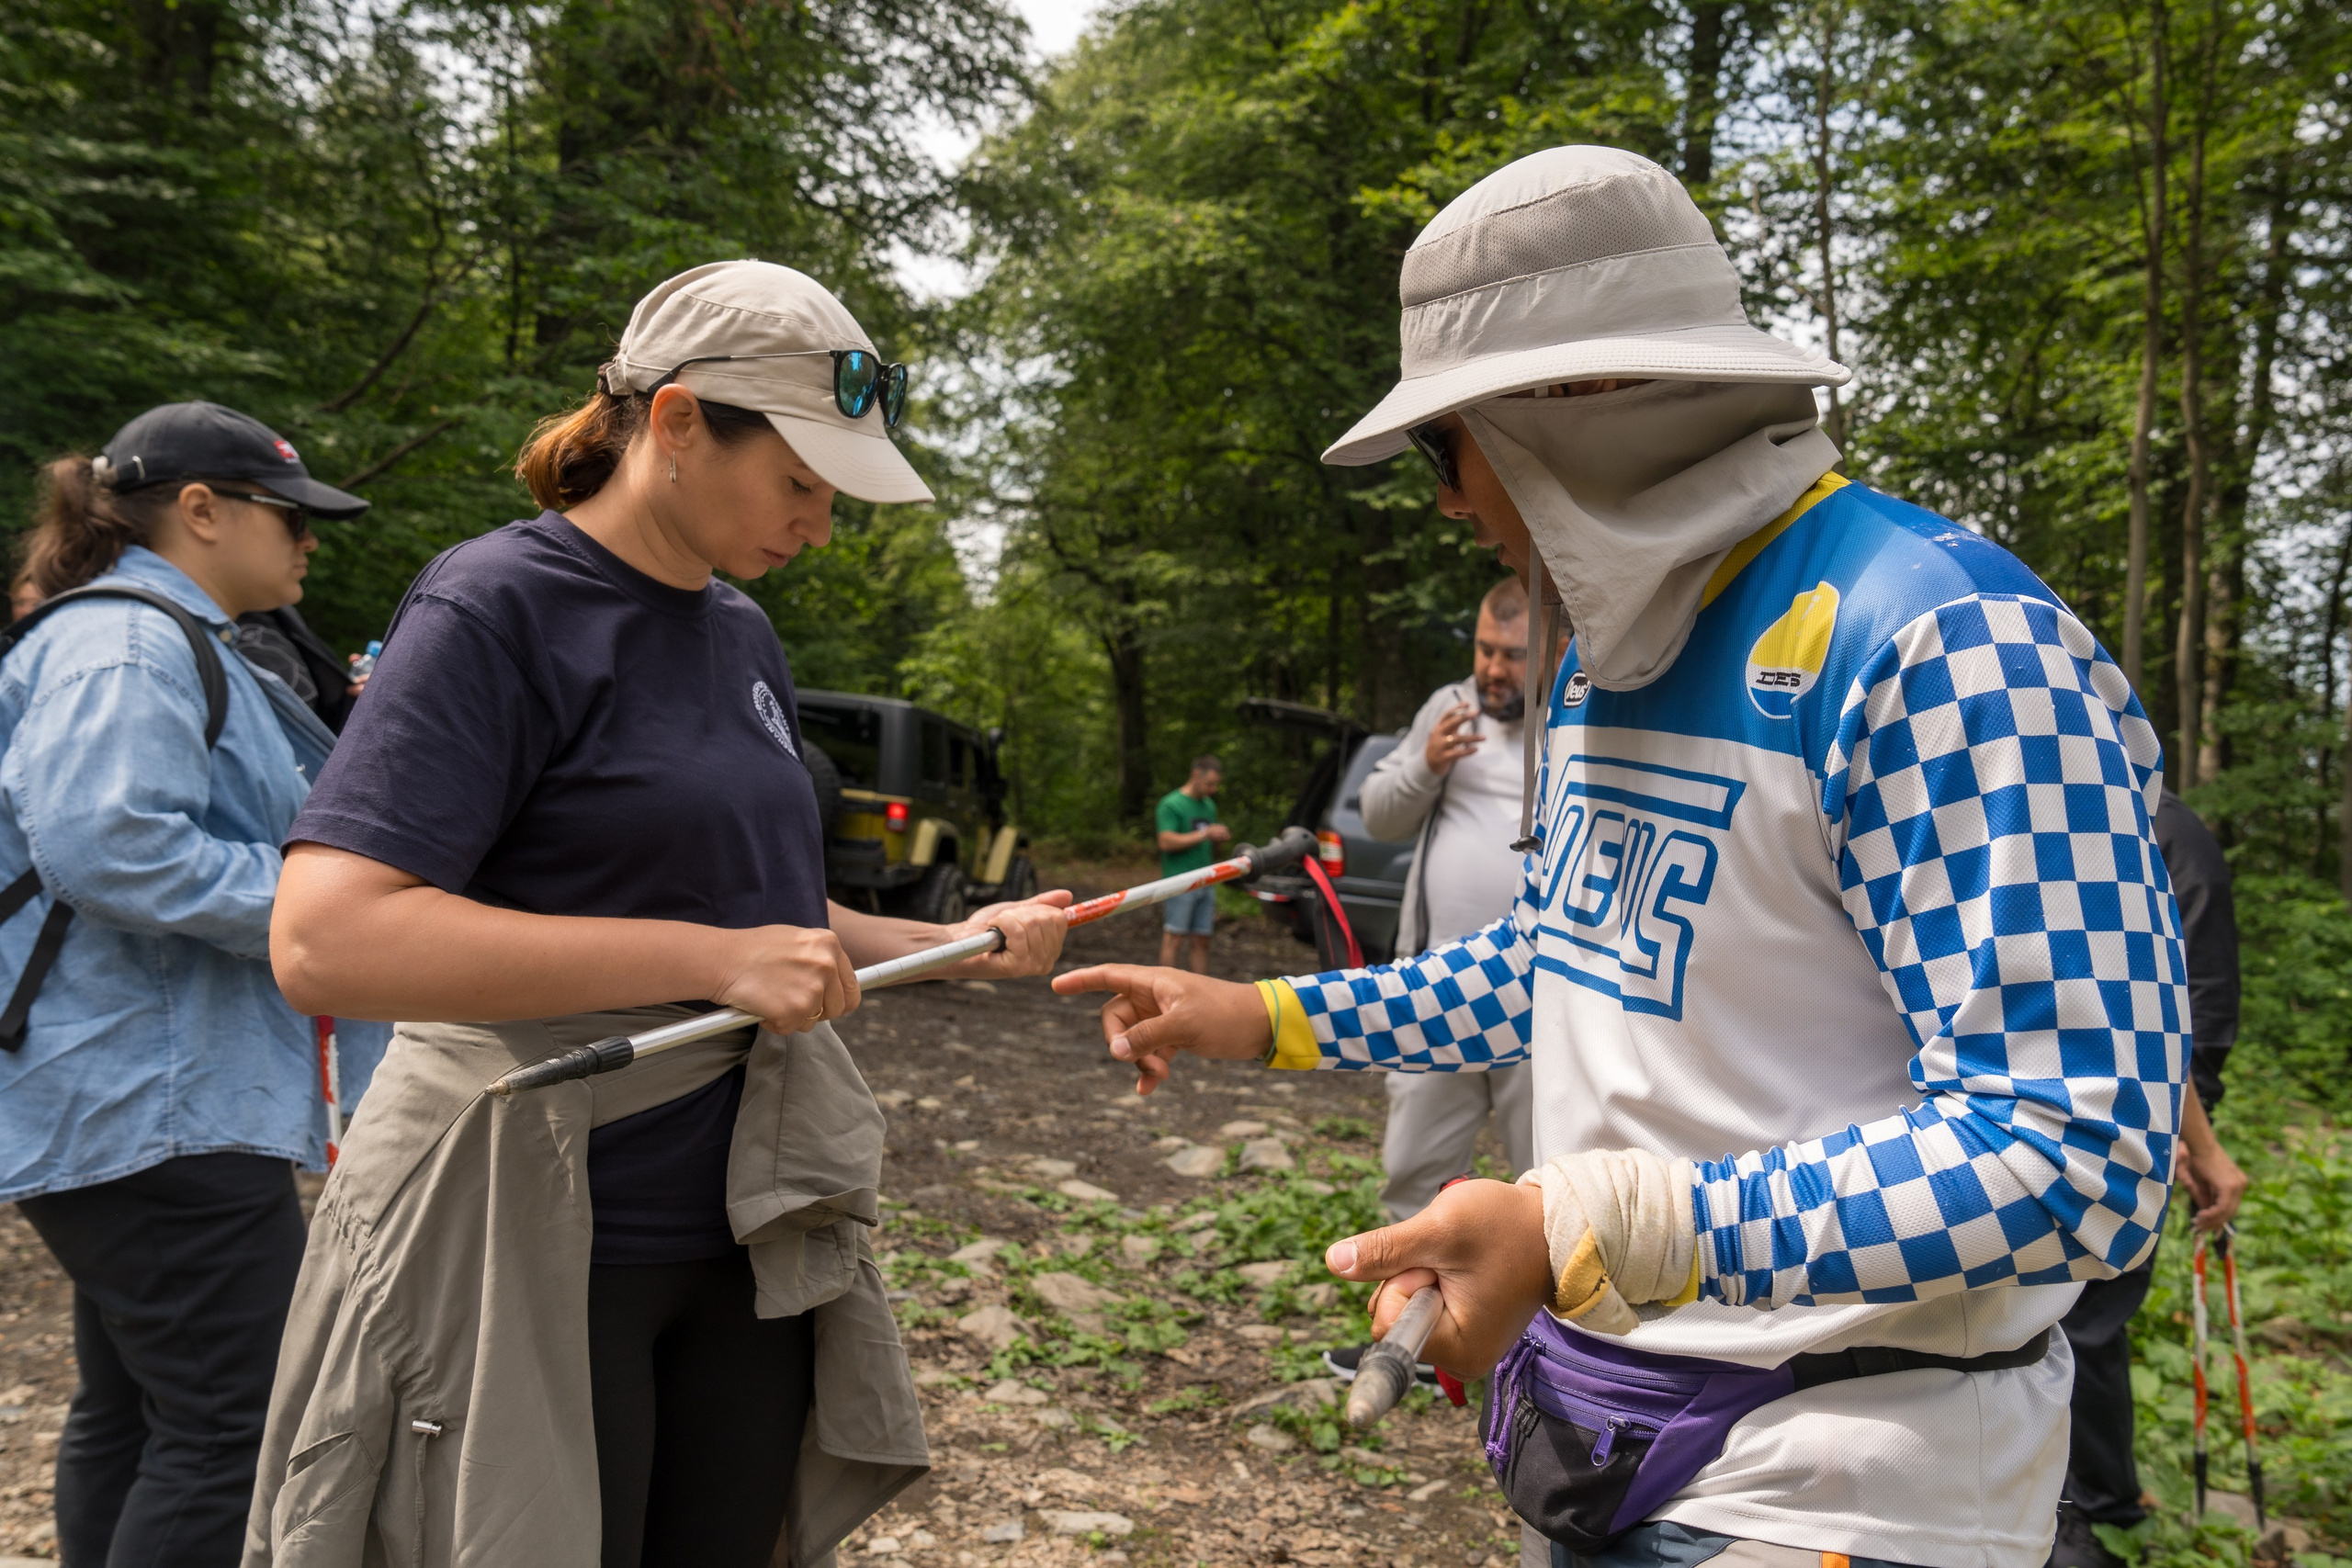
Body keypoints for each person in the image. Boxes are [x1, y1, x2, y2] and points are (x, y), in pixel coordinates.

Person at [1056, 146, 2185, 1568]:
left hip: (1845, 1485)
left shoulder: (1942, 640)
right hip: (1609, 1437)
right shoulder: (1607, 659)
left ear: (1580, 400)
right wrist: (1263, 1013)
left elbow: (2076, 1147)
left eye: (1443, 445)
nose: (1448, 501)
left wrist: (1596, 1225)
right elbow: (1565, 962)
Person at [250, 260, 1072, 1568]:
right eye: (800, 482)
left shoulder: (739, 631)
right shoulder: (495, 605)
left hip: (746, 1227)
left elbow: (764, 910)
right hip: (526, 1233)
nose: (819, 525)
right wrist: (712, 960)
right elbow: (325, 938)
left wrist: (960, 946)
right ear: (678, 422)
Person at [0, 400, 369, 1568]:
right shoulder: (129, 644)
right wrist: (321, 909)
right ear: (200, 510)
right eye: (287, 514)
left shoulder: (166, 639)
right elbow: (113, 845)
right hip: (153, 1100)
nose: (309, 540)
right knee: (236, 1424)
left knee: (138, 1410)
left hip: (138, 1091)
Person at [2052, 790, 2249, 1568]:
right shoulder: (2063, 808)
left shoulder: (2169, 833)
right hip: (2054, 1103)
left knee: (2090, 1317)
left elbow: (2195, 996)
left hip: (2134, 1118)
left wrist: (2187, 1131)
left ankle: (2100, 1512)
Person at [1156, 754, 1229, 971]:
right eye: (1209, 784)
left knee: (1202, 940)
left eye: (1215, 784)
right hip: (1179, 881)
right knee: (1174, 937)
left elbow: (1208, 845)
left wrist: (1217, 839)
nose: (1213, 789)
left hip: (1206, 881)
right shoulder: (1171, 804)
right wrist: (1205, 834)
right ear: (1196, 775)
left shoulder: (1208, 805)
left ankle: (1200, 987)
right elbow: (1165, 841)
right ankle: (1166, 986)